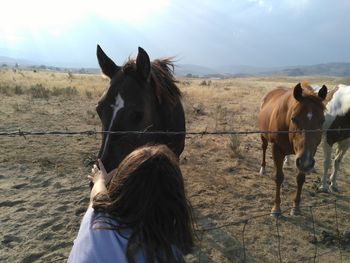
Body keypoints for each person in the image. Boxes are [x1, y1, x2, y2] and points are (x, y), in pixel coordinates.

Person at [68, 144, 194, 263]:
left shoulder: (96, 219)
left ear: (122, 185)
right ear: (176, 202)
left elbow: (97, 194)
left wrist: (99, 180)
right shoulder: (168, 254)